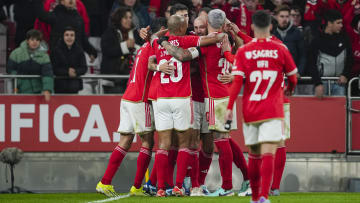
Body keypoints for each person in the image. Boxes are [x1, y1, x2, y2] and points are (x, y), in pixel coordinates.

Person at [148, 15, 225, 197]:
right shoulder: (186, 40)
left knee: (163, 144)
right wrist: (225, 31)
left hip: (161, 99)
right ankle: (178, 186)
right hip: (181, 97)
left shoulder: (157, 43)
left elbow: (150, 56)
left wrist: (159, 39)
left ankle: (160, 188)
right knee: (185, 144)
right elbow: (213, 38)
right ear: (183, 28)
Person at [225, 10, 298, 203]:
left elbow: (236, 83)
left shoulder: (244, 51)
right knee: (271, 150)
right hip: (275, 107)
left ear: (253, 27)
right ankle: (266, 194)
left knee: (255, 155)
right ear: (271, 26)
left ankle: (257, 196)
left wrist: (229, 107)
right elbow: (293, 77)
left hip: (251, 109)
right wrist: (290, 88)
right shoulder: (280, 48)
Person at [95, 18, 167, 198]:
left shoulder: (142, 48)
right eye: (166, 31)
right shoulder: (155, 46)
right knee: (147, 142)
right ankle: (137, 187)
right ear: (162, 31)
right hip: (140, 100)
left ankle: (104, 182)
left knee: (125, 141)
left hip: (127, 97)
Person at [309, 9, 353, 98]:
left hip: (339, 83)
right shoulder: (317, 40)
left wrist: (345, 74)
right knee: (321, 111)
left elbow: (350, 59)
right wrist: (317, 83)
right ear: (329, 23)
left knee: (339, 111)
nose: (341, 25)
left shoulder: (345, 38)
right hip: (322, 83)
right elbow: (311, 63)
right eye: (338, 23)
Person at [100, 6, 143, 93]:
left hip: (132, 78)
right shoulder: (110, 32)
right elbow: (107, 50)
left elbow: (143, 50)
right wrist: (125, 46)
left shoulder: (135, 33)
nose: (128, 20)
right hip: (113, 79)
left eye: (130, 17)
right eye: (125, 17)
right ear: (119, 18)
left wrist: (135, 47)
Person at [7, 29, 53, 101]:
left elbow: (47, 74)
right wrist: (18, 82)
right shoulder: (16, 53)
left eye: (37, 40)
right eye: (32, 39)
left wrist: (47, 89)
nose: (35, 42)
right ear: (27, 41)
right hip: (20, 91)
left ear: (40, 42)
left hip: (38, 93)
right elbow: (10, 70)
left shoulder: (45, 56)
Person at [50, 26, 87, 94]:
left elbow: (84, 68)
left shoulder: (79, 50)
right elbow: (53, 68)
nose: (69, 37)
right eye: (67, 35)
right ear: (63, 36)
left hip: (74, 87)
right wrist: (67, 72)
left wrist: (76, 71)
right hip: (60, 86)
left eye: (72, 35)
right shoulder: (56, 50)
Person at [273, 5, 306, 76]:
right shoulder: (271, 33)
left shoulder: (297, 32)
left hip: (292, 74)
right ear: (276, 17)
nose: (285, 19)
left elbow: (303, 55)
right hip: (275, 75)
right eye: (282, 16)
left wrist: (299, 72)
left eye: (287, 16)